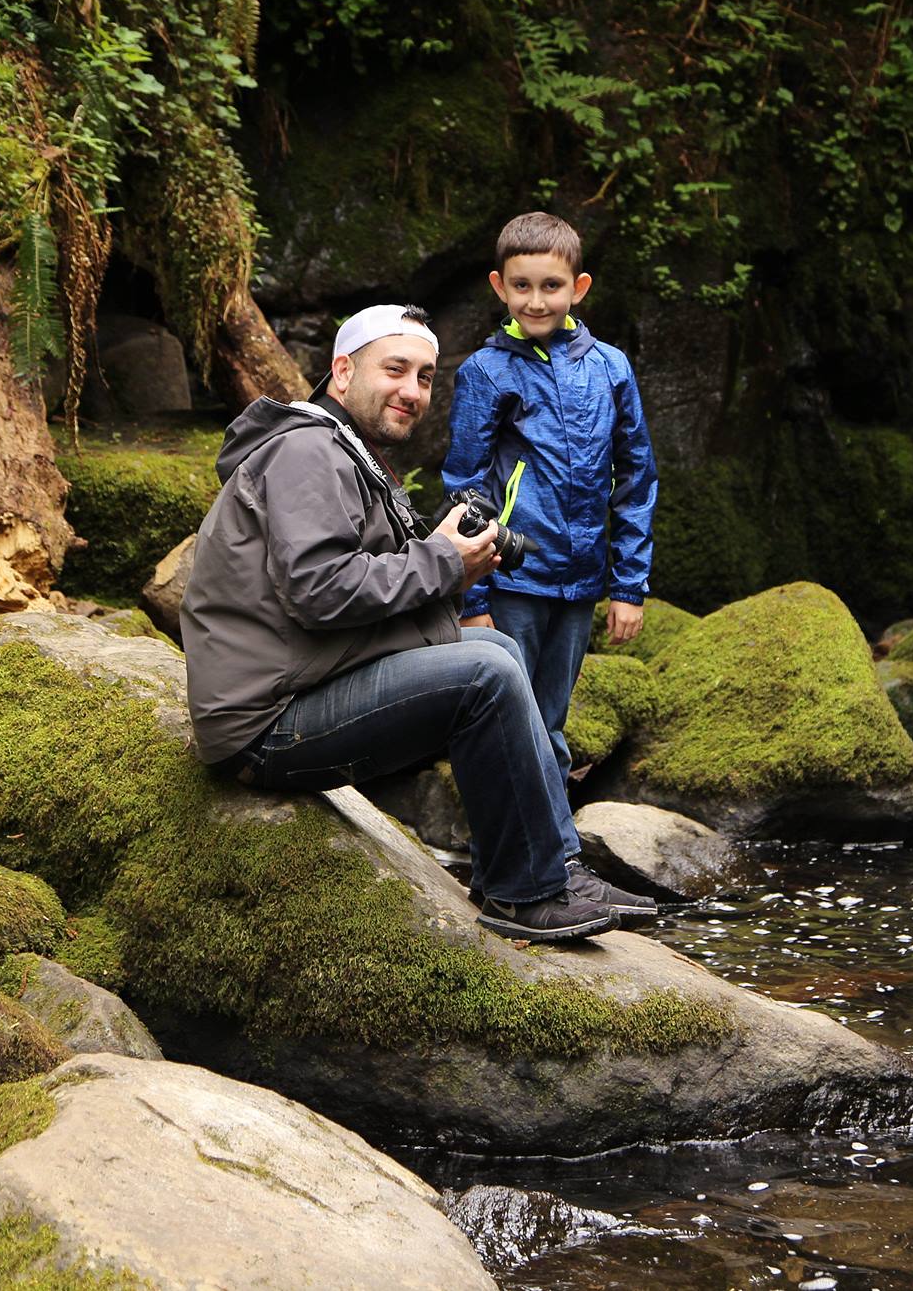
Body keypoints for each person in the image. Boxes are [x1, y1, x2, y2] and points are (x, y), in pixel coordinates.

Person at [179, 303, 651, 942]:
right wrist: (443, 563)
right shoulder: (306, 452)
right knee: (484, 669)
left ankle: (533, 869)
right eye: (395, 369)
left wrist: (448, 564)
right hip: (266, 724)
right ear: (342, 373)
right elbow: (320, 593)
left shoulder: (342, 450)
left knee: (494, 648)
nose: (412, 390)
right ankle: (529, 895)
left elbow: (349, 587)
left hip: (300, 685)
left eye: (426, 376)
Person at [443, 211, 658, 782]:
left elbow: (635, 479)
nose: (535, 301)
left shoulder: (611, 368)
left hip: (581, 580)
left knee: (551, 720)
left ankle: (548, 858)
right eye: (521, 286)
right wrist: (473, 600)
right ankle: (523, 858)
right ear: (499, 286)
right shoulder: (486, 373)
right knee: (506, 719)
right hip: (513, 576)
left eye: (550, 286)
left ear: (578, 288)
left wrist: (627, 586)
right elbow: (466, 488)